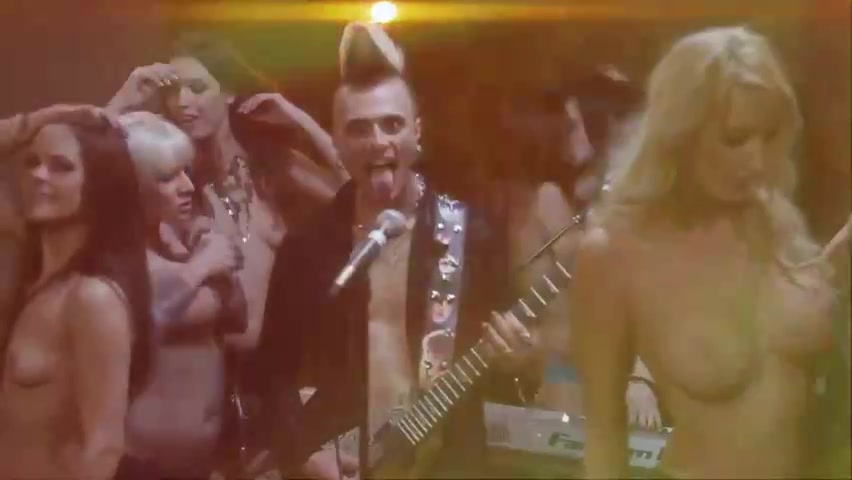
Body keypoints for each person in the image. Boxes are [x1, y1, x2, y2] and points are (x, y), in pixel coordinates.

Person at [251, 21, 541, 479]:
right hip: (344, 467)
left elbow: (509, 367)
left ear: (416, 135)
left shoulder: (473, 233)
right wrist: (303, 453)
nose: (379, 141)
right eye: (359, 129)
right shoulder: (308, 247)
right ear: (338, 143)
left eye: (393, 124)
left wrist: (520, 359)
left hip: (448, 464)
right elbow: (272, 375)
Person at [572, 26, 835, 479]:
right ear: (682, 132)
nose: (756, 160)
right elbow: (603, 440)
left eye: (768, 136)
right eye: (735, 138)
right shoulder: (614, 254)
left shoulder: (777, 222)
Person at [0, 119, 152, 479]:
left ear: (100, 185)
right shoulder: (27, 281)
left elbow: (102, 448)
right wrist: (54, 114)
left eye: (61, 166)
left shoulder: (91, 299)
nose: (38, 175)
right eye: (32, 162)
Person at [114, 111, 248, 479]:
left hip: (202, 461)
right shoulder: (120, 260)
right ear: (131, 187)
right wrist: (204, 266)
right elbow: (147, 320)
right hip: (139, 467)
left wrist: (207, 249)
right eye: (167, 177)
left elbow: (239, 317)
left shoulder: (176, 245)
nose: (187, 186)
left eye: (185, 172)